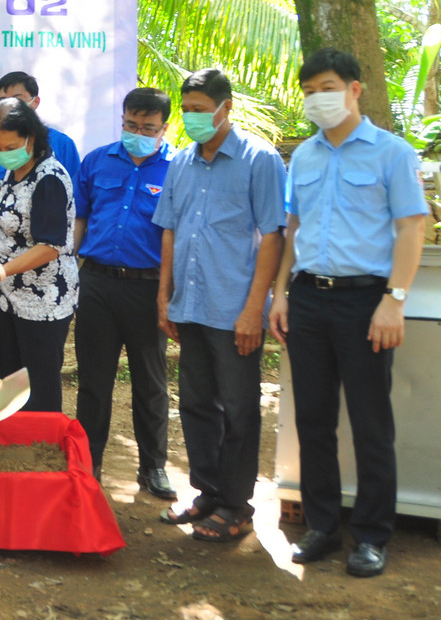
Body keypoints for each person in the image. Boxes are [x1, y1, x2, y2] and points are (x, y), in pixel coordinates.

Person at [271, 49, 427, 578]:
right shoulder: (304, 157)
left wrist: (394, 300)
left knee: (370, 423)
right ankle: (321, 525)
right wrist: (281, 293)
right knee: (313, 420)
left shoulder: (392, 153)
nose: (318, 99)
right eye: (309, 91)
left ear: (355, 89)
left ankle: (372, 536)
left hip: (366, 302)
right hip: (309, 298)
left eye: (328, 87)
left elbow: (412, 227)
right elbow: (294, 229)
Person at [153, 67, 286, 541]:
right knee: (195, 404)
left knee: (238, 408)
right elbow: (170, 229)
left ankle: (237, 506)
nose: (192, 117)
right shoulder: (181, 162)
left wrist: (254, 308)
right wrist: (164, 295)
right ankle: (208, 492)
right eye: (186, 109)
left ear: (225, 108)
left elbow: (273, 235)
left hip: (235, 310)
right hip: (191, 305)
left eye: (200, 110)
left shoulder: (259, 159)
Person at [72, 87, 177, 497]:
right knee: (93, 381)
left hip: (149, 289)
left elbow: (177, 234)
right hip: (97, 283)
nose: (138, 133)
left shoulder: (177, 169)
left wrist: (168, 294)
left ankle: (153, 467)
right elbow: (81, 218)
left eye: (148, 128)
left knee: (150, 383)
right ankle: (88, 463)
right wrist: (71, 267)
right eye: (131, 125)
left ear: (164, 128)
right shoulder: (97, 161)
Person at [0, 99, 79, 413]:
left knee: (38, 388)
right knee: (11, 379)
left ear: (31, 138)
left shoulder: (50, 178)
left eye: (10, 147)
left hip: (42, 302)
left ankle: (40, 441)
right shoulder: (17, 169)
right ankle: (11, 436)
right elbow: (11, 189)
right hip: (8, 296)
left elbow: (49, 246)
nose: (3, 154)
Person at [0, 72, 81, 185]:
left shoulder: (62, 144)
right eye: (3, 101)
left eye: (17, 99)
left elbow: (75, 190)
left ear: (35, 101)